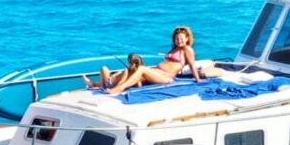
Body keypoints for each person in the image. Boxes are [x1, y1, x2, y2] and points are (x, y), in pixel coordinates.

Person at [97, 25, 233, 95]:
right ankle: (104, 83)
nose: (179, 41)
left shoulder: (187, 49)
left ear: (187, 39)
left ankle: (119, 88)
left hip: (166, 77)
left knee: (142, 69)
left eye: (181, 38)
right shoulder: (173, 49)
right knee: (132, 69)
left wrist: (197, 79)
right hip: (157, 71)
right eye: (177, 38)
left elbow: (192, 65)